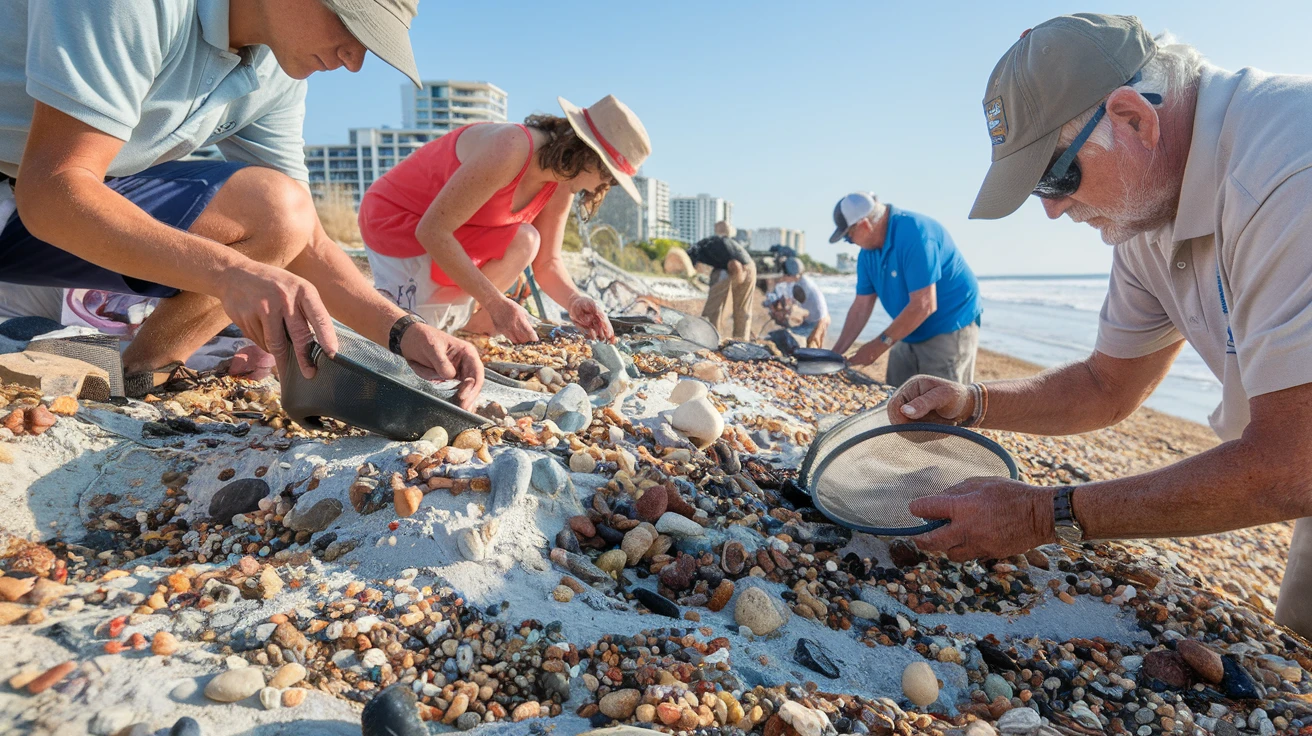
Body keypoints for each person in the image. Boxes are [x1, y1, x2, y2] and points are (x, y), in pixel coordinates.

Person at [889, 13, 1312, 638]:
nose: (1055, 210)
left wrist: (1045, 517)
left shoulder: (1284, 169)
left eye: (1056, 176)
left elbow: (1293, 463)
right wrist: (971, 402)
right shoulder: (1147, 210)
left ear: (1134, 118)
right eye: (1039, 191)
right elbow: (1106, 386)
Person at [0, 0, 483, 407]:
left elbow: (303, 238)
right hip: (39, 198)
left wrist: (402, 333)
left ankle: (138, 378)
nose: (354, 60)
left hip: (51, 219)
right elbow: (50, 188)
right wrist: (229, 274)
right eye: (351, 25)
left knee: (280, 211)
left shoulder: (276, 68)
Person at [359, 95, 650, 344]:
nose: (604, 188)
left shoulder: (562, 178)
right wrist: (495, 303)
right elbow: (432, 231)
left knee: (528, 239)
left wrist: (575, 301)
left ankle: (468, 327)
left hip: (451, 231)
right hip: (398, 219)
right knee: (413, 334)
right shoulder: (513, 147)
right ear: (589, 155)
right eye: (609, 178)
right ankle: (441, 320)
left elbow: (547, 263)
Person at [828, 192, 982, 386]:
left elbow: (924, 305)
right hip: (910, 327)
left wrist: (877, 346)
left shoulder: (915, 233)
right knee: (898, 393)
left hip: (950, 324)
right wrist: (834, 355)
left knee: (943, 404)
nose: (851, 243)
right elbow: (861, 306)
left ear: (864, 225)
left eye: (849, 238)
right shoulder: (867, 254)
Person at [688, 221, 755, 340]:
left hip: (742, 268)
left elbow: (735, 265)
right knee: (719, 305)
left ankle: (740, 340)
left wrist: (736, 282)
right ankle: (714, 335)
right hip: (730, 267)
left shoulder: (710, 246)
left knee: (740, 307)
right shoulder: (708, 245)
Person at [764, 258, 829, 348]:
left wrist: (782, 311)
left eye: (785, 275)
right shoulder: (801, 281)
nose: (783, 277)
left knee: (779, 337)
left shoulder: (801, 286)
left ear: (791, 274)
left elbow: (793, 308)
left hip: (815, 324)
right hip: (813, 320)